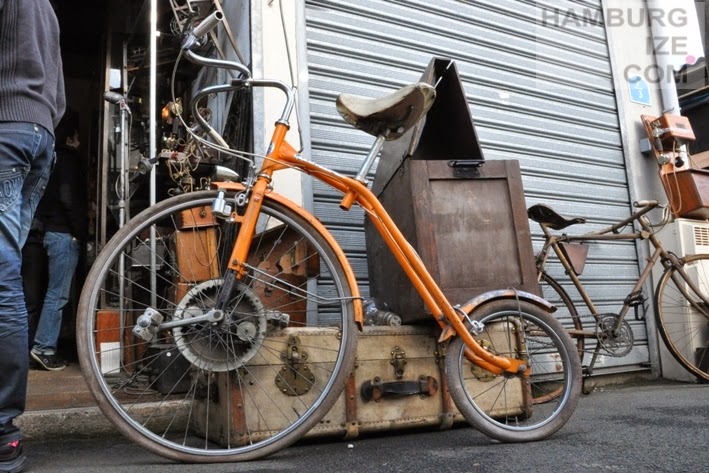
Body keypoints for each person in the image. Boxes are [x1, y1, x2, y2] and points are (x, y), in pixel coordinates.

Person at [0, 1, 65, 472]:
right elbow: (58, 94)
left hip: (5, 126)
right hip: (40, 133)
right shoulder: (46, 10)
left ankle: (3, 432)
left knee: (1, 279)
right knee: (7, 274)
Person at [29, 109, 86, 372]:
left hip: (48, 233)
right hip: (64, 234)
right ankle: (44, 347)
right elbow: (68, 198)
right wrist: (80, 232)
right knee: (58, 294)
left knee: (46, 293)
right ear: (72, 136)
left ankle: (37, 345)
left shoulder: (49, 158)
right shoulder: (69, 160)